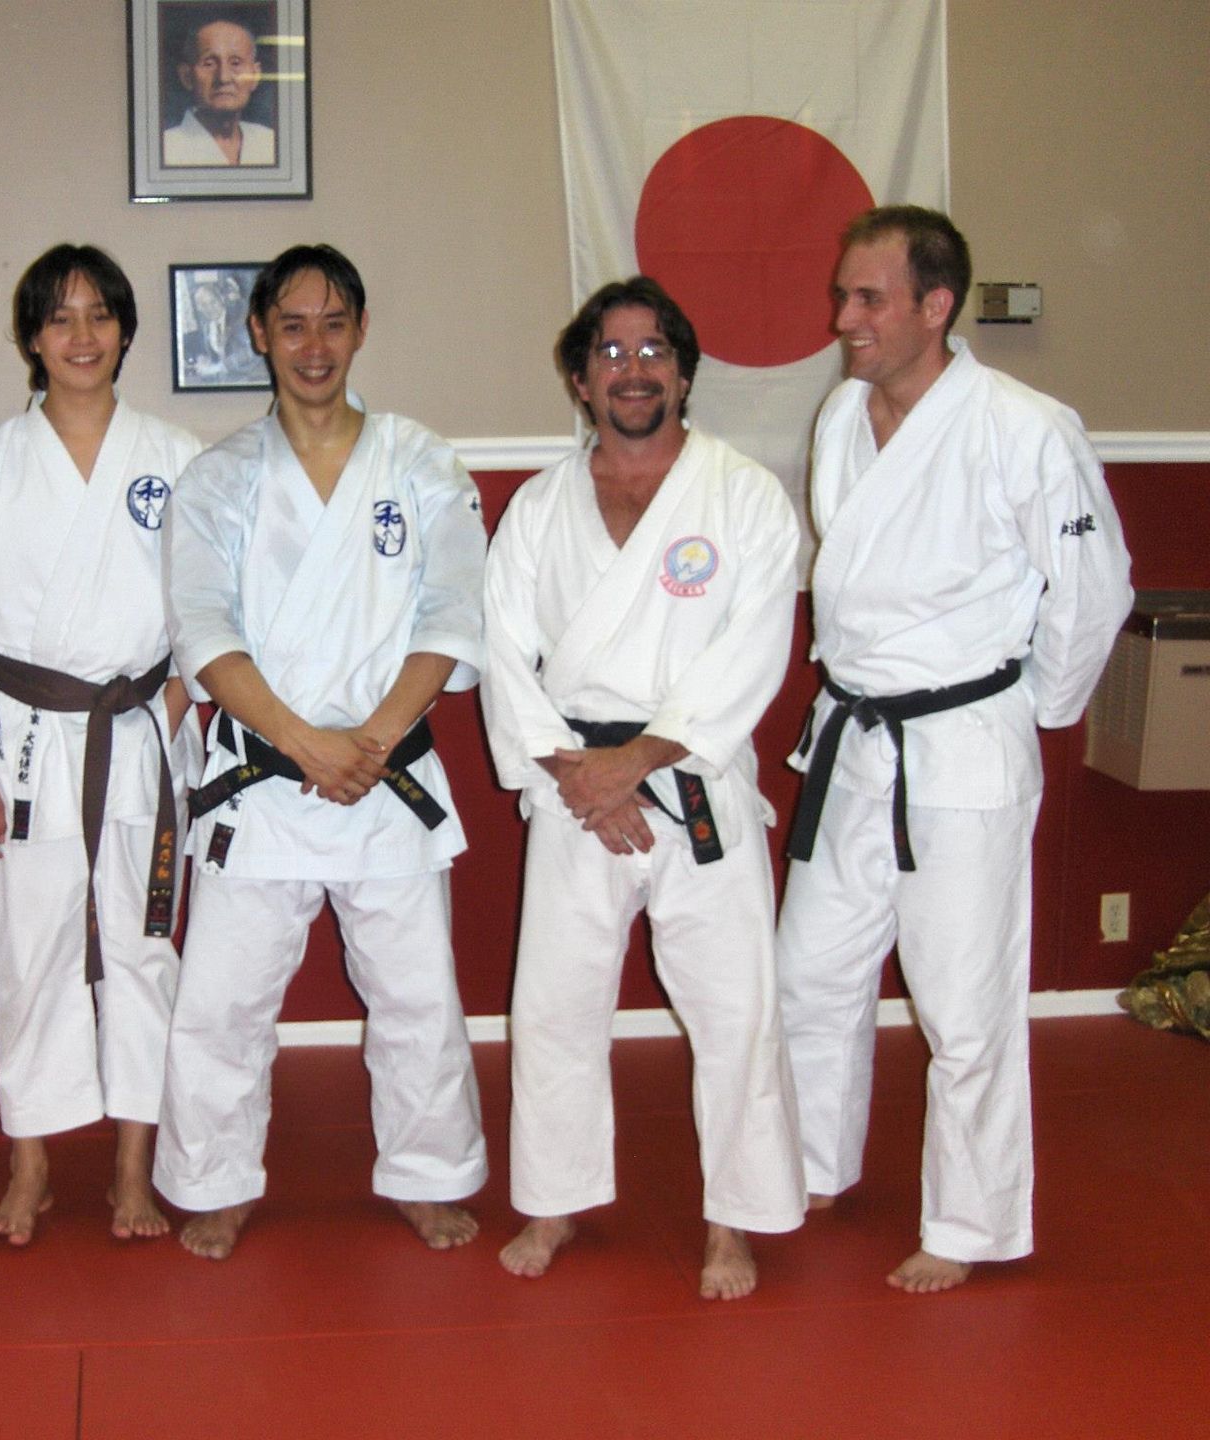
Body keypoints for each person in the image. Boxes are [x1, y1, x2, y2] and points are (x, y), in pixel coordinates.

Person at [776, 206, 1133, 1293]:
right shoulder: (842, 414)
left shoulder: (1025, 424)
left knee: (962, 1001)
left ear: (937, 306)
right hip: (854, 735)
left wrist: (1038, 708)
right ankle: (816, 1162)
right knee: (811, 973)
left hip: (964, 742)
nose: (844, 318)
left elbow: (1093, 587)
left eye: (867, 298)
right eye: (842, 294)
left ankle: (970, 1223)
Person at [157, 243, 490, 1261]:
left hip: (384, 775)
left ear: (360, 331)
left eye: (333, 322)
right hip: (268, 775)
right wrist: (304, 744)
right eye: (292, 324)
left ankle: (429, 1173)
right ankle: (215, 1178)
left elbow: (453, 611)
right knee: (220, 1000)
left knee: (417, 993)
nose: (313, 345)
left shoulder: (422, 461)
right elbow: (204, 631)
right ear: (258, 334)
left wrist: (371, 744)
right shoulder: (218, 479)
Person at [481, 278, 806, 1297]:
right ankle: (555, 1200)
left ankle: (735, 1221)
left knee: (735, 1007)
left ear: (686, 371)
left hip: (693, 781)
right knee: (554, 1007)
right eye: (612, 354)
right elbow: (503, 655)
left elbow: (754, 654)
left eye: (653, 350)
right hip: (573, 786)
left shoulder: (743, 495)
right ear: (580, 381)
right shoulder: (538, 507)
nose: (634, 370)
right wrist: (584, 776)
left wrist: (641, 759)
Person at [0, 244, 203, 1246]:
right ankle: (32, 1160)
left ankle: (134, 1164)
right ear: (31, 337)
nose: (81, 337)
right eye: (60, 318)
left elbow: (210, 611)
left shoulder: (174, 459)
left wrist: (179, 694)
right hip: (26, 742)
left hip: (135, 739)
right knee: (28, 953)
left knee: (143, 949)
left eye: (99, 316)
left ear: (125, 330)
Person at [161, 16, 276, 167]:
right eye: (209, 63)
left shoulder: (271, 142)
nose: (224, 77)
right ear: (187, 76)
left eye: (236, 63)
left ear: (255, 75)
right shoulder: (166, 149)